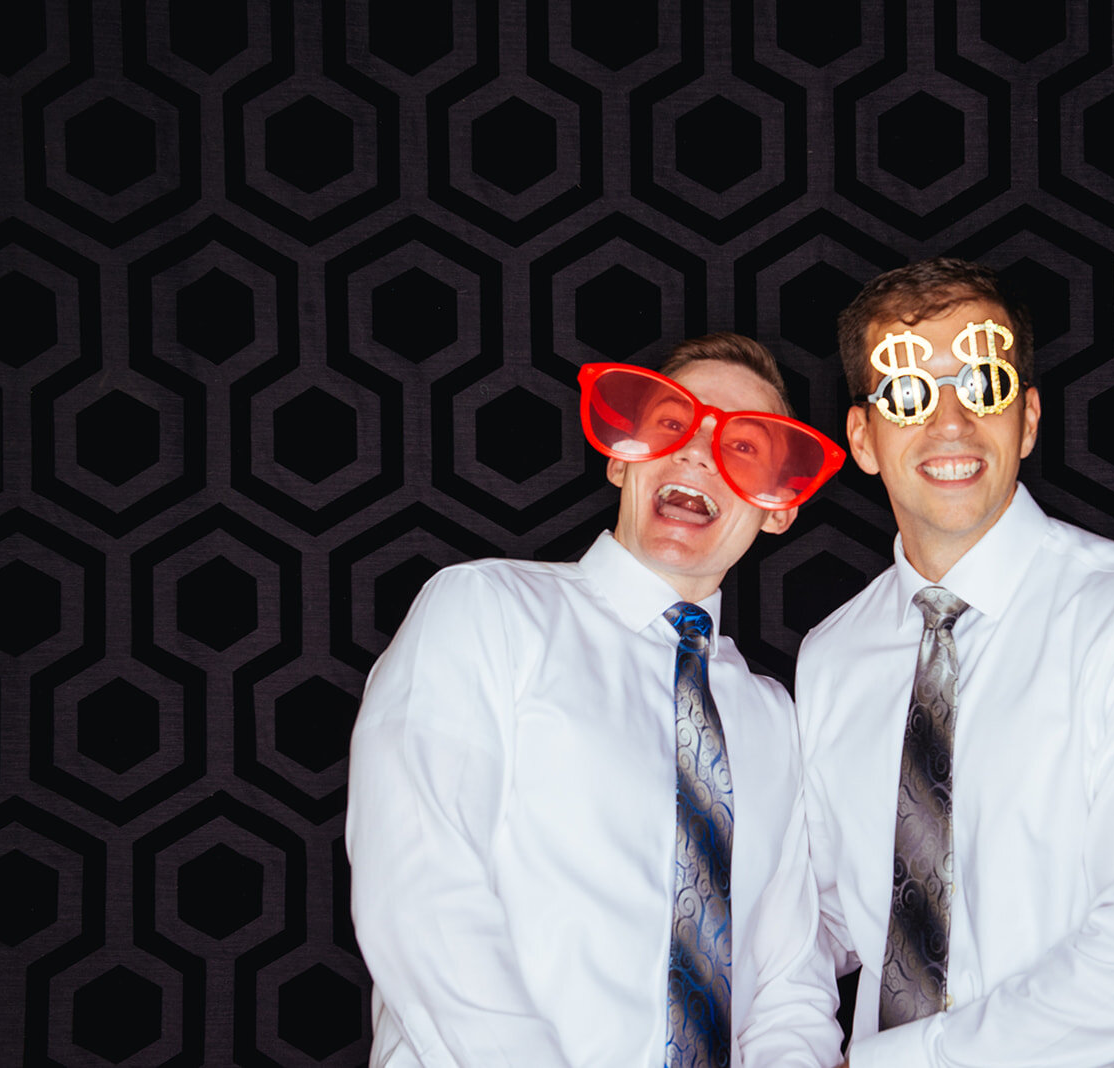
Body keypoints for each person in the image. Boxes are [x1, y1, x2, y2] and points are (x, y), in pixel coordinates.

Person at [796, 259, 1114, 1067]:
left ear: (1029, 420)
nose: (949, 423)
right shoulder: (833, 654)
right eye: (909, 394)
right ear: (863, 440)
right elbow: (825, 919)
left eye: (984, 386)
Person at [347, 333, 848, 1067]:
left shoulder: (773, 717)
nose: (698, 455)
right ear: (622, 455)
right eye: (672, 425)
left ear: (779, 507)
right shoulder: (485, 609)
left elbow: (786, 985)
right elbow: (420, 891)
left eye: (744, 447)